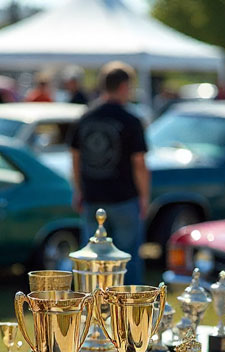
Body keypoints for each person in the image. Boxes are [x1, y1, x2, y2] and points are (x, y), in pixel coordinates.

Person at [69, 62, 149, 285]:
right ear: (124, 86)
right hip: (125, 199)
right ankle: (129, 313)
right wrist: (144, 197)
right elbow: (139, 163)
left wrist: (78, 190)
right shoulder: (131, 120)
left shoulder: (85, 117)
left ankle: (94, 312)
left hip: (92, 198)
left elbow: (75, 159)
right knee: (127, 261)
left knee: (92, 264)